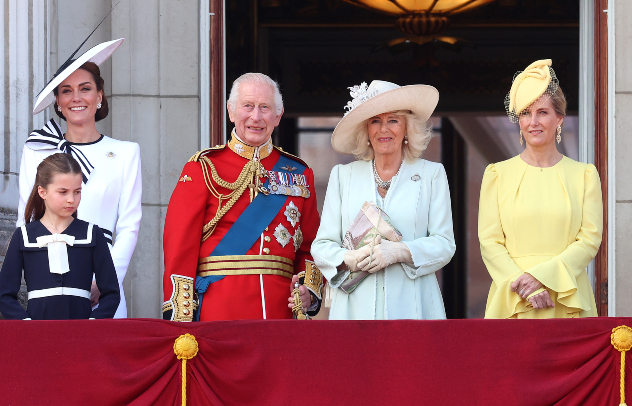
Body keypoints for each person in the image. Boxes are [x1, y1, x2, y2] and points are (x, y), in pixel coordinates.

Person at [162, 73, 323, 322]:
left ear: (278, 116)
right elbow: (180, 246)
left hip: (279, 313)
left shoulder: (300, 173)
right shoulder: (203, 168)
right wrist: (180, 317)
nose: (255, 117)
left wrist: (308, 292)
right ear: (231, 111)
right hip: (217, 311)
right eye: (247, 106)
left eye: (265, 108)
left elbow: (310, 247)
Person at [311, 80, 456, 320]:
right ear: (366, 130)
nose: (383, 129)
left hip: (414, 307)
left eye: (393, 120)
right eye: (375, 121)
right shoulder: (343, 176)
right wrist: (350, 258)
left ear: (407, 128)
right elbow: (321, 246)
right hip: (353, 310)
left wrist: (400, 252)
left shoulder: (432, 174)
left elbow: (445, 244)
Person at [17, 38, 141, 318]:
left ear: (99, 96)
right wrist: (43, 278)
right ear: (58, 102)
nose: (76, 98)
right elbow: (26, 220)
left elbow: (129, 226)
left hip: (103, 281)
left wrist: (107, 282)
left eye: (85, 89)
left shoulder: (125, 153)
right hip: (50, 282)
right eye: (66, 91)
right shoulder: (37, 150)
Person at [479, 59, 602, 319]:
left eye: (542, 112)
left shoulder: (585, 175)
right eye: (525, 112)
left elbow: (590, 239)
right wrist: (524, 285)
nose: (533, 122)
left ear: (559, 118)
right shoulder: (496, 175)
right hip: (512, 296)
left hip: (567, 295)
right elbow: (490, 242)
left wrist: (544, 278)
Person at [0, 153, 120, 320]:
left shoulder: (93, 234)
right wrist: (25, 324)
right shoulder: (24, 235)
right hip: (37, 333)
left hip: (82, 333)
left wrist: (94, 324)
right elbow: (4, 295)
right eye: (63, 192)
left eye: (77, 192)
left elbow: (111, 293)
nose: (71, 199)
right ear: (42, 192)